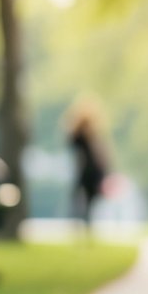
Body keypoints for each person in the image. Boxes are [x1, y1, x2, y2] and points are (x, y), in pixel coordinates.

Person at [64, 96, 111, 231]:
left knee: (88, 199)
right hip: (85, 170)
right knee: (80, 198)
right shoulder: (79, 136)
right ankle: (79, 222)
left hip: (91, 170)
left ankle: (85, 222)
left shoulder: (92, 135)